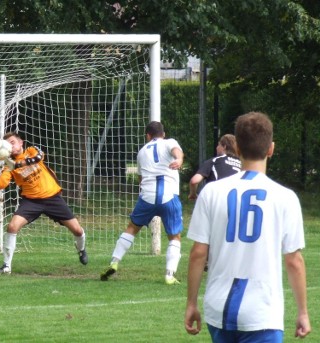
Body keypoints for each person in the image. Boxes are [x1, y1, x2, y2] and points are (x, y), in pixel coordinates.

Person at [184, 112, 311, 341]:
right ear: (271, 149)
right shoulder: (285, 197)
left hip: (218, 307)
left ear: (238, 149)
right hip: (262, 311)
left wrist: (191, 303)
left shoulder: (211, 192)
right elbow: (294, 260)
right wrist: (302, 312)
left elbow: (198, 253)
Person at [0, 131, 87, 274]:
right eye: (7, 144)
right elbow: (1, 184)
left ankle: (81, 249)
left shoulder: (32, 150)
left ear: (21, 142)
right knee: (12, 226)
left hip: (53, 198)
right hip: (31, 201)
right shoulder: (9, 166)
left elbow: (40, 157)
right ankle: (6, 266)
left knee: (77, 230)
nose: (9, 146)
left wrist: (17, 164)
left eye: (12, 142)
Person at [100, 121, 184, 285]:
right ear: (163, 134)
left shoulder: (141, 152)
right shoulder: (169, 142)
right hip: (169, 196)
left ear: (147, 136)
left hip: (146, 196)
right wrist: (179, 160)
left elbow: (140, 179)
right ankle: (169, 275)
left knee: (131, 228)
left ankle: (114, 262)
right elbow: (177, 152)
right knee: (174, 236)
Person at [188, 134, 241, 200]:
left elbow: (194, 181)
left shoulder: (215, 160)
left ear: (224, 147)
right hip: (236, 201)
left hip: (217, 198)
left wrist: (193, 194)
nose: (216, 148)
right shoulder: (243, 164)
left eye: (218, 145)